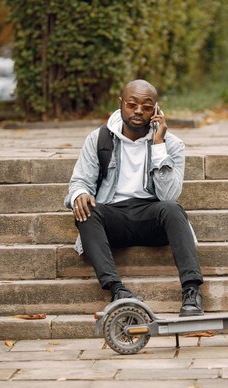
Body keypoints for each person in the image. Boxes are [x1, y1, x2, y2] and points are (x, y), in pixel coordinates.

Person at [64, 79, 204, 316]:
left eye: (147, 107)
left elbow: (169, 195)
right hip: (113, 216)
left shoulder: (172, 145)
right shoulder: (99, 139)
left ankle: (192, 291)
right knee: (86, 212)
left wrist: (158, 145)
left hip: (151, 216)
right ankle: (117, 290)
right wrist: (80, 194)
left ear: (156, 110)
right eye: (132, 104)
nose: (139, 111)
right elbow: (79, 181)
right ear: (121, 104)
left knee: (172, 209)